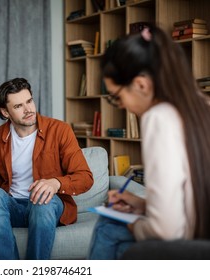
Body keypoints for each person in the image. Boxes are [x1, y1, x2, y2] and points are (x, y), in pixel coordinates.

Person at [88, 25, 210, 259]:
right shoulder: (201, 105)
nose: (121, 105)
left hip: (188, 248)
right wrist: (142, 205)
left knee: (108, 225)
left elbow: (166, 230)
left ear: (141, 84)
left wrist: (136, 226)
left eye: (117, 97)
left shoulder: (159, 117)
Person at [0, 77, 94, 259]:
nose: (29, 109)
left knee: (42, 199)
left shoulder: (60, 130)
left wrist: (55, 183)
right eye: (19, 106)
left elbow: (85, 177)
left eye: (29, 101)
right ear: (5, 112)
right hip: (14, 206)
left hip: (48, 206)